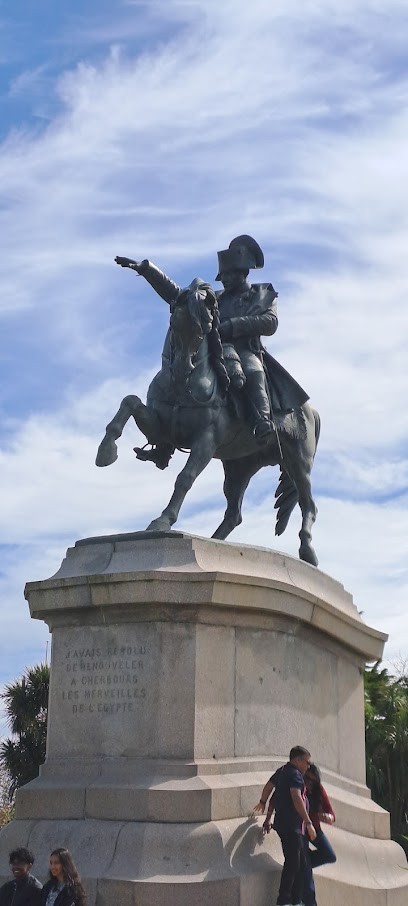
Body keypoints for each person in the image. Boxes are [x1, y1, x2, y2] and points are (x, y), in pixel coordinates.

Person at [114, 235, 308, 467]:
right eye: (222, 276)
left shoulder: (263, 293)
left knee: (252, 370)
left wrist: (233, 326)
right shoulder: (214, 298)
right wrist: (147, 270)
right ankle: (163, 443)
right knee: (177, 371)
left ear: (242, 273)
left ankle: (262, 420)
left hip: (245, 350)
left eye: (228, 275)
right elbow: (178, 295)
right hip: (213, 349)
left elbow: (270, 322)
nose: (224, 280)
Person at [262, 745, 316, 906]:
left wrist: (263, 803)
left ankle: (295, 900)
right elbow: (296, 796)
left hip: (284, 824)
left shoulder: (282, 770)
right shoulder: (295, 775)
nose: (308, 766)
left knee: (298, 864)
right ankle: (285, 901)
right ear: (297, 760)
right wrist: (308, 822)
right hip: (293, 826)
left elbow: (269, 787)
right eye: (307, 762)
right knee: (294, 864)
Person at [302, 763, 336, 906]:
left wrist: (328, 817)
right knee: (306, 871)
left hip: (315, 829)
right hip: (301, 830)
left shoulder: (318, 790)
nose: (309, 783)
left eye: (312, 781)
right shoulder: (298, 788)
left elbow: (331, 813)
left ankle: (303, 863)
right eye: (307, 779)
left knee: (330, 855)